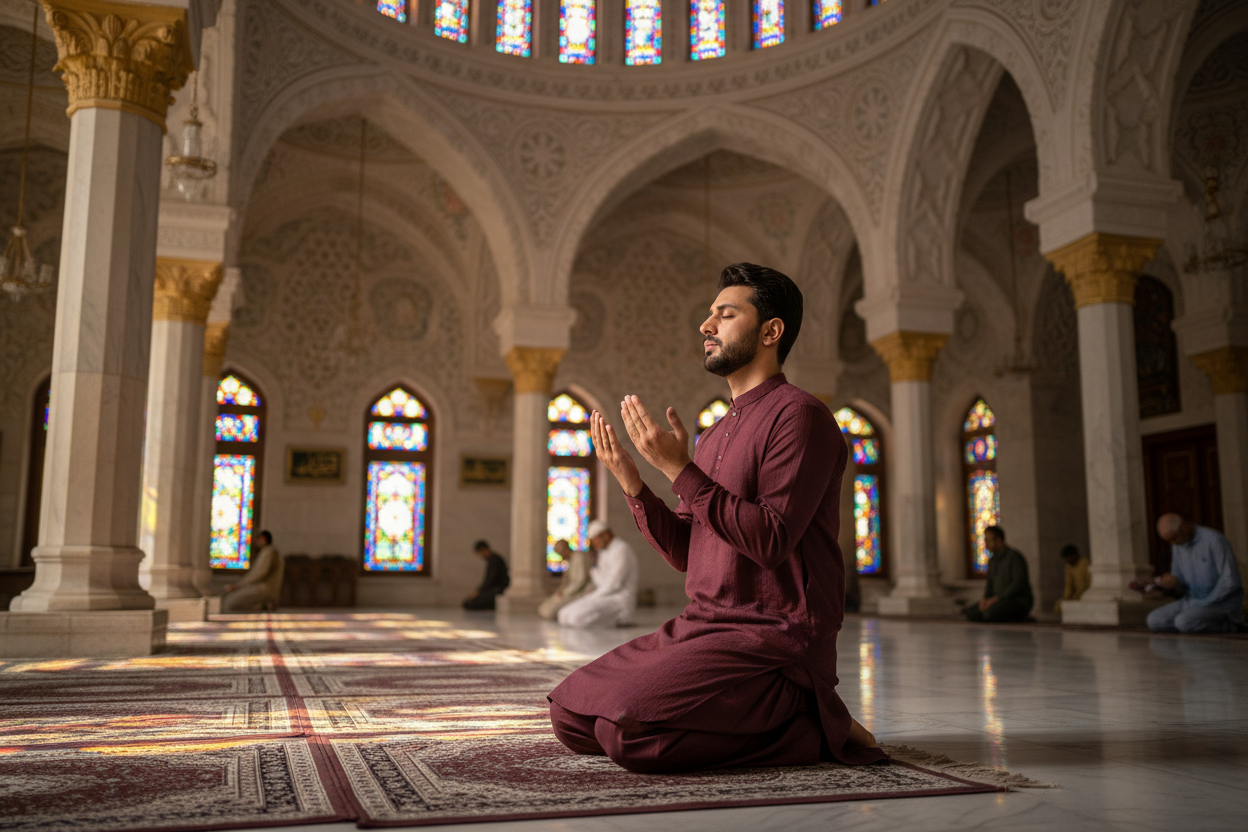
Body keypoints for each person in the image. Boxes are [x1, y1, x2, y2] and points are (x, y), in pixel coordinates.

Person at [548, 262, 886, 774]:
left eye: (725, 315)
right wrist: (634, 482)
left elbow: (771, 539)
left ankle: (808, 720)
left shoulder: (801, 417)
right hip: (704, 625)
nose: (706, 326)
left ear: (771, 331)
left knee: (628, 736)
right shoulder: (714, 433)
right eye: (709, 316)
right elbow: (688, 552)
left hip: (773, 636)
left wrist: (680, 469)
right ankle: (778, 717)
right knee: (570, 713)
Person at [1146, 514, 1245, 634]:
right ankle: (1197, 622)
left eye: (1174, 538)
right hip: (1192, 600)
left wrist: (1206, 602)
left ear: (1184, 527)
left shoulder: (1214, 540)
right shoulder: (1177, 545)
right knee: (1154, 620)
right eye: (1169, 541)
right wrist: (1171, 584)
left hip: (1220, 601)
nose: (1173, 544)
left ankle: (1231, 625)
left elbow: (1230, 580)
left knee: (1183, 622)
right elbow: (1179, 580)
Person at [557, 520, 639, 628]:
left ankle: (622, 620)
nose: (594, 544)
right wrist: (594, 567)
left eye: (594, 540)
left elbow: (614, 585)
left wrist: (592, 597)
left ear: (605, 535)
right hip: (603, 596)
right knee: (563, 614)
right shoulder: (603, 551)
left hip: (619, 599)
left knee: (575, 618)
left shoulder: (621, 549)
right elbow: (601, 582)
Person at [964, 526, 1033, 623]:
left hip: (1016, 600)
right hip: (996, 601)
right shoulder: (992, 561)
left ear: (999, 539)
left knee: (990, 614)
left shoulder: (1014, 557)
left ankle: (1021, 617)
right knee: (972, 613)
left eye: (988, 541)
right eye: (985, 541)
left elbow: (1019, 583)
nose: (986, 544)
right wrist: (985, 600)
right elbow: (990, 585)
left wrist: (998, 598)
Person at [222, 531, 284, 613]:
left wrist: (237, 586)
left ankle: (265, 605)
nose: (256, 542)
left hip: (264, 588)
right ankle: (264, 606)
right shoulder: (268, 552)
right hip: (264, 588)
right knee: (231, 600)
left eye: (258, 539)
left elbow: (258, 574)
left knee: (230, 602)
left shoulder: (268, 552)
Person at [538, 539, 592, 621]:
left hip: (579, 592)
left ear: (565, 550)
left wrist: (565, 592)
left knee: (549, 612)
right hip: (568, 591)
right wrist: (561, 591)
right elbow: (566, 581)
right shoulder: (570, 560)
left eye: (560, 554)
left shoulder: (579, 558)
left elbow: (580, 581)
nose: (561, 557)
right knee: (543, 608)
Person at [463, 540, 510, 610]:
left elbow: (491, 580)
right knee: (467, 602)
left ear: (483, 550)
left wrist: (478, 591)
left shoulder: (495, 560)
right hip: (493, 589)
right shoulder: (492, 560)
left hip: (498, 589)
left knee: (470, 603)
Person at [1054, 544, 1090, 614]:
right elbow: (1068, 584)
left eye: (1069, 558)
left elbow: (1089, 582)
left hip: (1086, 595)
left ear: (1075, 556)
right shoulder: (1068, 566)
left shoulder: (1085, 563)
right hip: (1075, 596)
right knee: (1059, 604)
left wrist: (1082, 595)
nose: (1068, 561)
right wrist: (1066, 597)